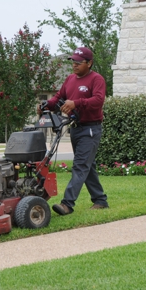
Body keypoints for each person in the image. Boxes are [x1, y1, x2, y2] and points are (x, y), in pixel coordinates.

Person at [41, 47, 109, 216]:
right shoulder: (70, 79)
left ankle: (67, 204)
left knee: (80, 166)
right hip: (75, 129)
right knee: (88, 166)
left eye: (79, 62)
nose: (75, 65)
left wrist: (76, 103)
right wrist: (46, 105)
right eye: (73, 61)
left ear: (89, 63)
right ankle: (100, 200)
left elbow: (98, 100)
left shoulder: (96, 79)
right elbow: (58, 97)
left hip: (91, 129)